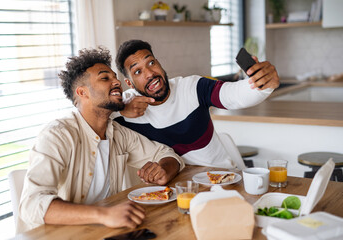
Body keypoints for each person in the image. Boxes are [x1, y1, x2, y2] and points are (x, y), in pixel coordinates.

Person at [17, 46, 184, 233]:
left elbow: (167, 154)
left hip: (104, 230)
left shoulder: (117, 133)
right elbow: (32, 205)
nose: (117, 82)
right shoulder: (57, 136)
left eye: (115, 76)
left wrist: (163, 170)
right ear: (82, 93)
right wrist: (104, 215)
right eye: (105, 78)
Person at [114, 39, 280, 169]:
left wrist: (264, 84)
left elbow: (234, 94)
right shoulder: (125, 106)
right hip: (176, 188)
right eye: (138, 71)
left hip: (220, 176)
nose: (150, 73)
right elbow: (93, 119)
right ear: (129, 83)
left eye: (151, 63)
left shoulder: (192, 87)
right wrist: (121, 110)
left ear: (158, 62)